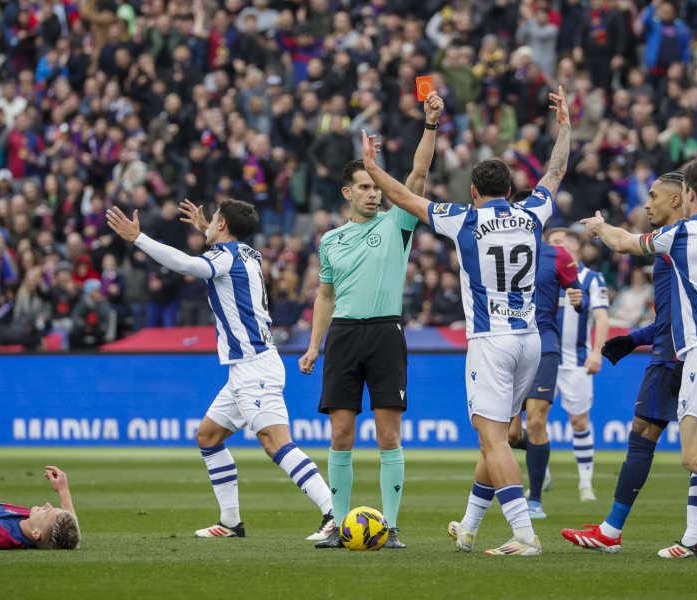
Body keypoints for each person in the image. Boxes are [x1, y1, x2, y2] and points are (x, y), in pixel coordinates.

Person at [361, 85, 572, 555]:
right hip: (530, 340)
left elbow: (403, 197)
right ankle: (470, 527)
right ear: (512, 191)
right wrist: (565, 126)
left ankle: (523, 534)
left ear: (474, 192)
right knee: (492, 438)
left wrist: (373, 168)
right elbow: (556, 172)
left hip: (491, 341)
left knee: (493, 439)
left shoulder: (463, 219)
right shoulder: (534, 211)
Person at [106, 199, 335, 541]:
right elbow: (222, 251)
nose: (207, 222)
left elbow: (185, 264)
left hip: (255, 367)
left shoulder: (225, 257)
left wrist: (139, 238)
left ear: (224, 225)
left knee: (275, 443)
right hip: (246, 369)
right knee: (208, 437)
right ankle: (231, 523)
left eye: (213, 219)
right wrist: (206, 230)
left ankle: (334, 514)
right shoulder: (249, 254)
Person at [299, 92, 445, 550]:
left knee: (388, 435)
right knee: (341, 434)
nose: (373, 192)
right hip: (343, 335)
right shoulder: (331, 240)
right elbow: (325, 296)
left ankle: (392, 527)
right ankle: (340, 528)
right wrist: (313, 344)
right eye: (363, 186)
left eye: (375, 185)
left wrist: (430, 125)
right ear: (347, 193)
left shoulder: (397, 221)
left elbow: (418, 173)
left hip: (385, 331)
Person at [563, 171, 697, 557]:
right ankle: (693, 538)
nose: (647, 202)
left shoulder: (677, 241)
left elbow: (627, 247)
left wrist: (601, 227)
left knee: (657, 438)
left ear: (682, 198)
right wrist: (635, 338)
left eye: (654, 195)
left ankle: (611, 530)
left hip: (681, 354)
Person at [507, 188, 586, 520]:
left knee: (536, 422)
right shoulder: (500, 249)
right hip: (508, 344)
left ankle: (535, 500)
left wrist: (578, 299)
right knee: (512, 435)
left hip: (544, 344)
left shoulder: (559, 255)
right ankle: (541, 460)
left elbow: (575, 290)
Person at [547, 227, 610, 502]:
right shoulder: (544, 274)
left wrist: (597, 352)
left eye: (558, 243)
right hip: (544, 357)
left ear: (574, 246)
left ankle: (585, 483)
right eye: (549, 244)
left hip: (575, 361)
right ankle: (542, 474)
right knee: (532, 420)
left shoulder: (591, 278)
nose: (552, 248)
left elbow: (601, 318)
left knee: (579, 421)